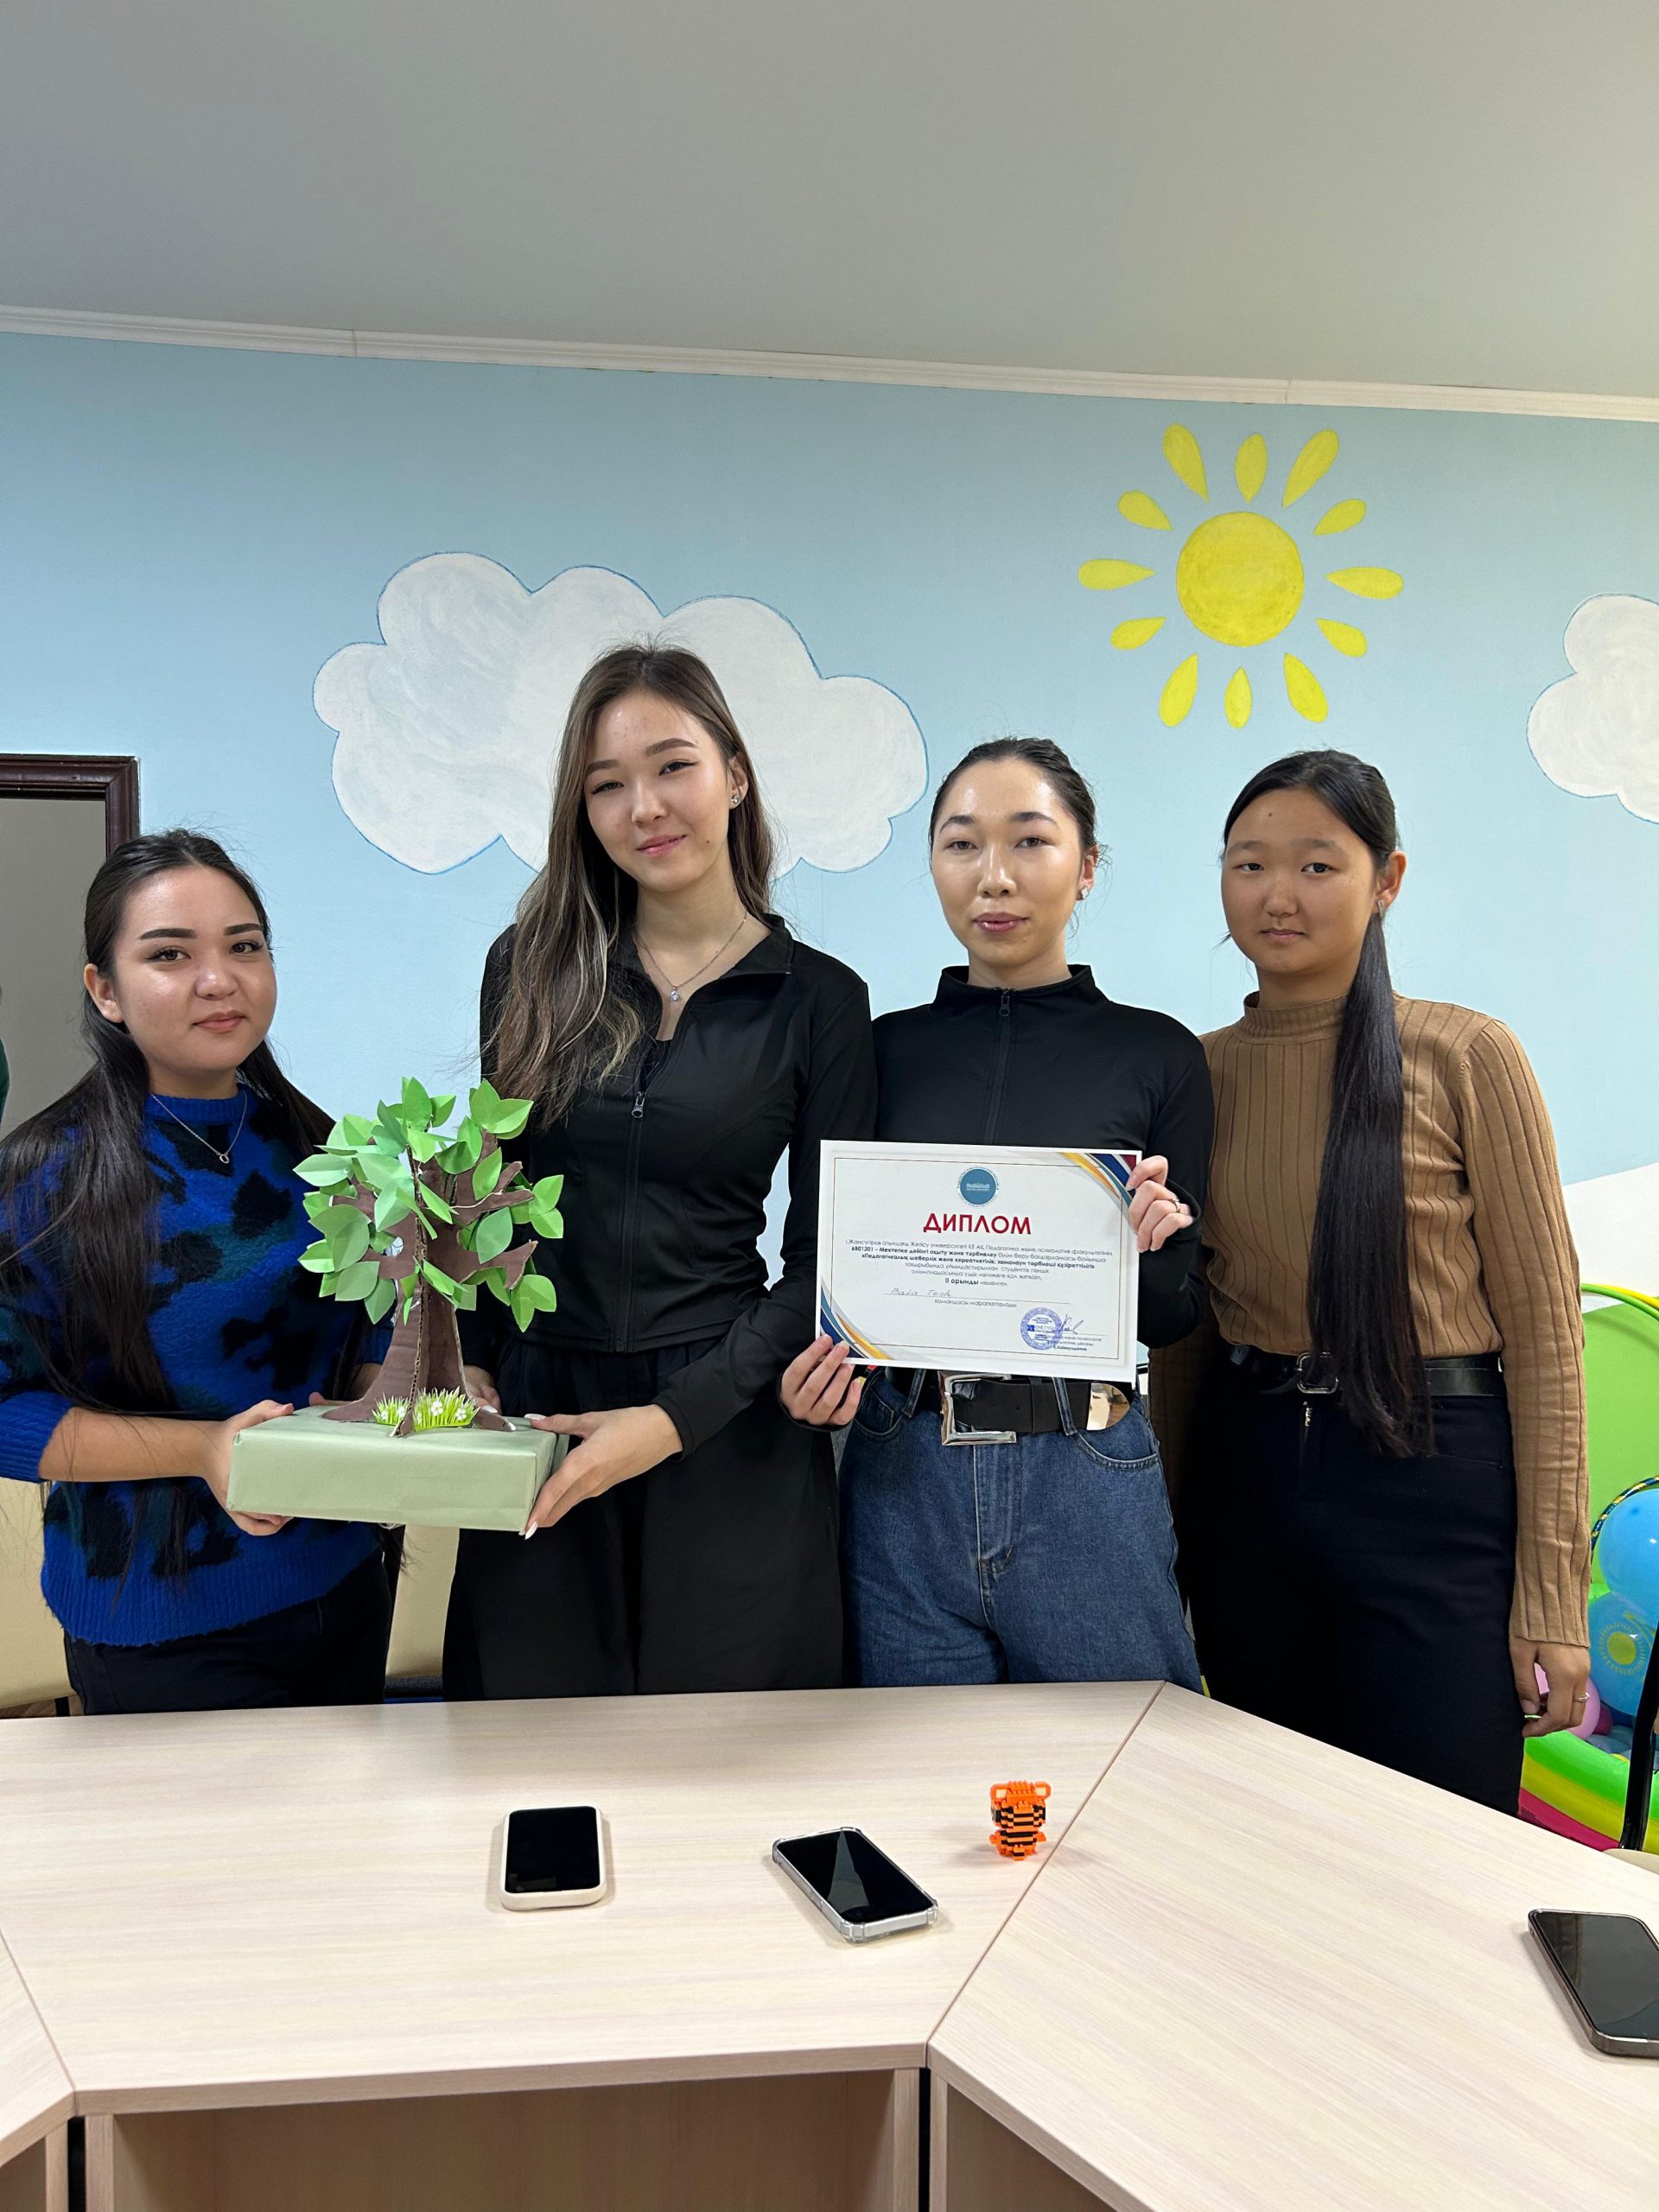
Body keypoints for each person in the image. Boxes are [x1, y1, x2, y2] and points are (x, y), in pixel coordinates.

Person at [1152, 749, 1590, 1814]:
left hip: (1435, 1475)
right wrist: (1163, 1546)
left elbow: (1545, 1336)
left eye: (1317, 865)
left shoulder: (1467, 1055)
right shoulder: (1193, 1072)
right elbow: (1188, 1335)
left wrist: (1551, 1595)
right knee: (1271, 1825)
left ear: (1386, 879)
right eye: (1249, 865)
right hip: (1249, 1481)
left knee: (1443, 1837)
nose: (1278, 895)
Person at [444, 644, 875, 1700]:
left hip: (728, 1418)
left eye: (673, 766)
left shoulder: (821, 1000)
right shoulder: (527, 968)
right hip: (541, 1418)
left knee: (730, 1765)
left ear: (735, 775)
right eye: (607, 784)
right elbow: (492, 1193)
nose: (644, 807)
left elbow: (828, 1263)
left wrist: (673, 1420)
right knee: (532, 1753)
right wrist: (472, 1359)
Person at [782, 736, 1208, 1689]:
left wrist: (1152, 1242)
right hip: (900, 1465)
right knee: (920, 1766)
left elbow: (1174, 1314)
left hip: (1085, 1466)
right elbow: (821, 1268)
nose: (995, 876)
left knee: (1126, 1759)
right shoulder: (877, 1051)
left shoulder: (1160, 1054)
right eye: (963, 843)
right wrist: (810, 1381)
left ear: (1087, 866)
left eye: (1030, 841)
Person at [0, 830, 392, 1714]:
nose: (219, 979)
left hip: (342, 1586)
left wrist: (422, 1398)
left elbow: (367, 1335)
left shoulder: (329, 1153)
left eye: (244, 946)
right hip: (156, 1624)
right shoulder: (42, 1179)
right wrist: (204, 1452)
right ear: (105, 990)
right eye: (170, 954)